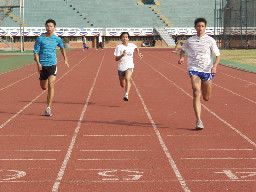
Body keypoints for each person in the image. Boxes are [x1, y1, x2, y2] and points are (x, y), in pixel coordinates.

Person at [178, 18, 221, 130]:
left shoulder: (210, 40)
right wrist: (182, 57)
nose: (200, 28)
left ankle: (204, 93)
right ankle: (199, 120)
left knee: (206, 97)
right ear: (195, 27)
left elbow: (218, 56)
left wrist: (215, 66)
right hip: (194, 69)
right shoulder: (190, 40)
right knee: (196, 91)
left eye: (202, 26)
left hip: (207, 70)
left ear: (205, 27)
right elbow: (183, 50)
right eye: (198, 26)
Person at [33, 19, 69, 116]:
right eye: (47, 26)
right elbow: (35, 52)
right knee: (44, 87)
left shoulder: (57, 39)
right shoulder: (40, 38)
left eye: (51, 26)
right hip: (42, 65)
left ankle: (48, 108)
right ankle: (42, 78)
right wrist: (38, 64)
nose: (49, 28)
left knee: (51, 84)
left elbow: (62, 48)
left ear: (54, 28)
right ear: (45, 27)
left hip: (52, 64)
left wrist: (65, 58)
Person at [114, 32, 143, 101]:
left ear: (128, 38)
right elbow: (116, 59)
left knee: (127, 78)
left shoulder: (132, 45)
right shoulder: (119, 47)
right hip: (121, 66)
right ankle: (124, 83)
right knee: (122, 84)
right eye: (123, 37)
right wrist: (122, 55)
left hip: (130, 65)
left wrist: (139, 53)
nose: (125, 38)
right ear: (121, 39)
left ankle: (126, 95)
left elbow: (136, 48)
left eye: (126, 37)